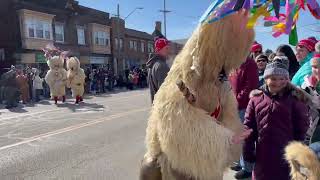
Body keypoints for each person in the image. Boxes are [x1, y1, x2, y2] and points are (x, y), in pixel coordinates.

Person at [243, 56, 309, 180]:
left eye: (282, 79)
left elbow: (301, 129)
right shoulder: (256, 100)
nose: (278, 82)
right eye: (273, 78)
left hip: (286, 156)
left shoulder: (294, 100)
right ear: (266, 79)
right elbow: (248, 128)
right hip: (263, 155)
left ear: (287, 79)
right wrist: (248, 151)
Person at [229, 55, 259, 179]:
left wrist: (236, 101)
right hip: (234, 105)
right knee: (237, 136)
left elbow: (249, 87)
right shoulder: (234, 62)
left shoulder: (250, 63)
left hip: (244, 106)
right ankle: (241, 164)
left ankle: (248, 168)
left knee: (246, 138)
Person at [147, 37, 170, 103]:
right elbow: (166, 92)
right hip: (163, 108)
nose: (168, 51)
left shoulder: (152, 65)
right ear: (159, 50)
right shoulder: (161, 66)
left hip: (156, 106)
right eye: (166, 48)